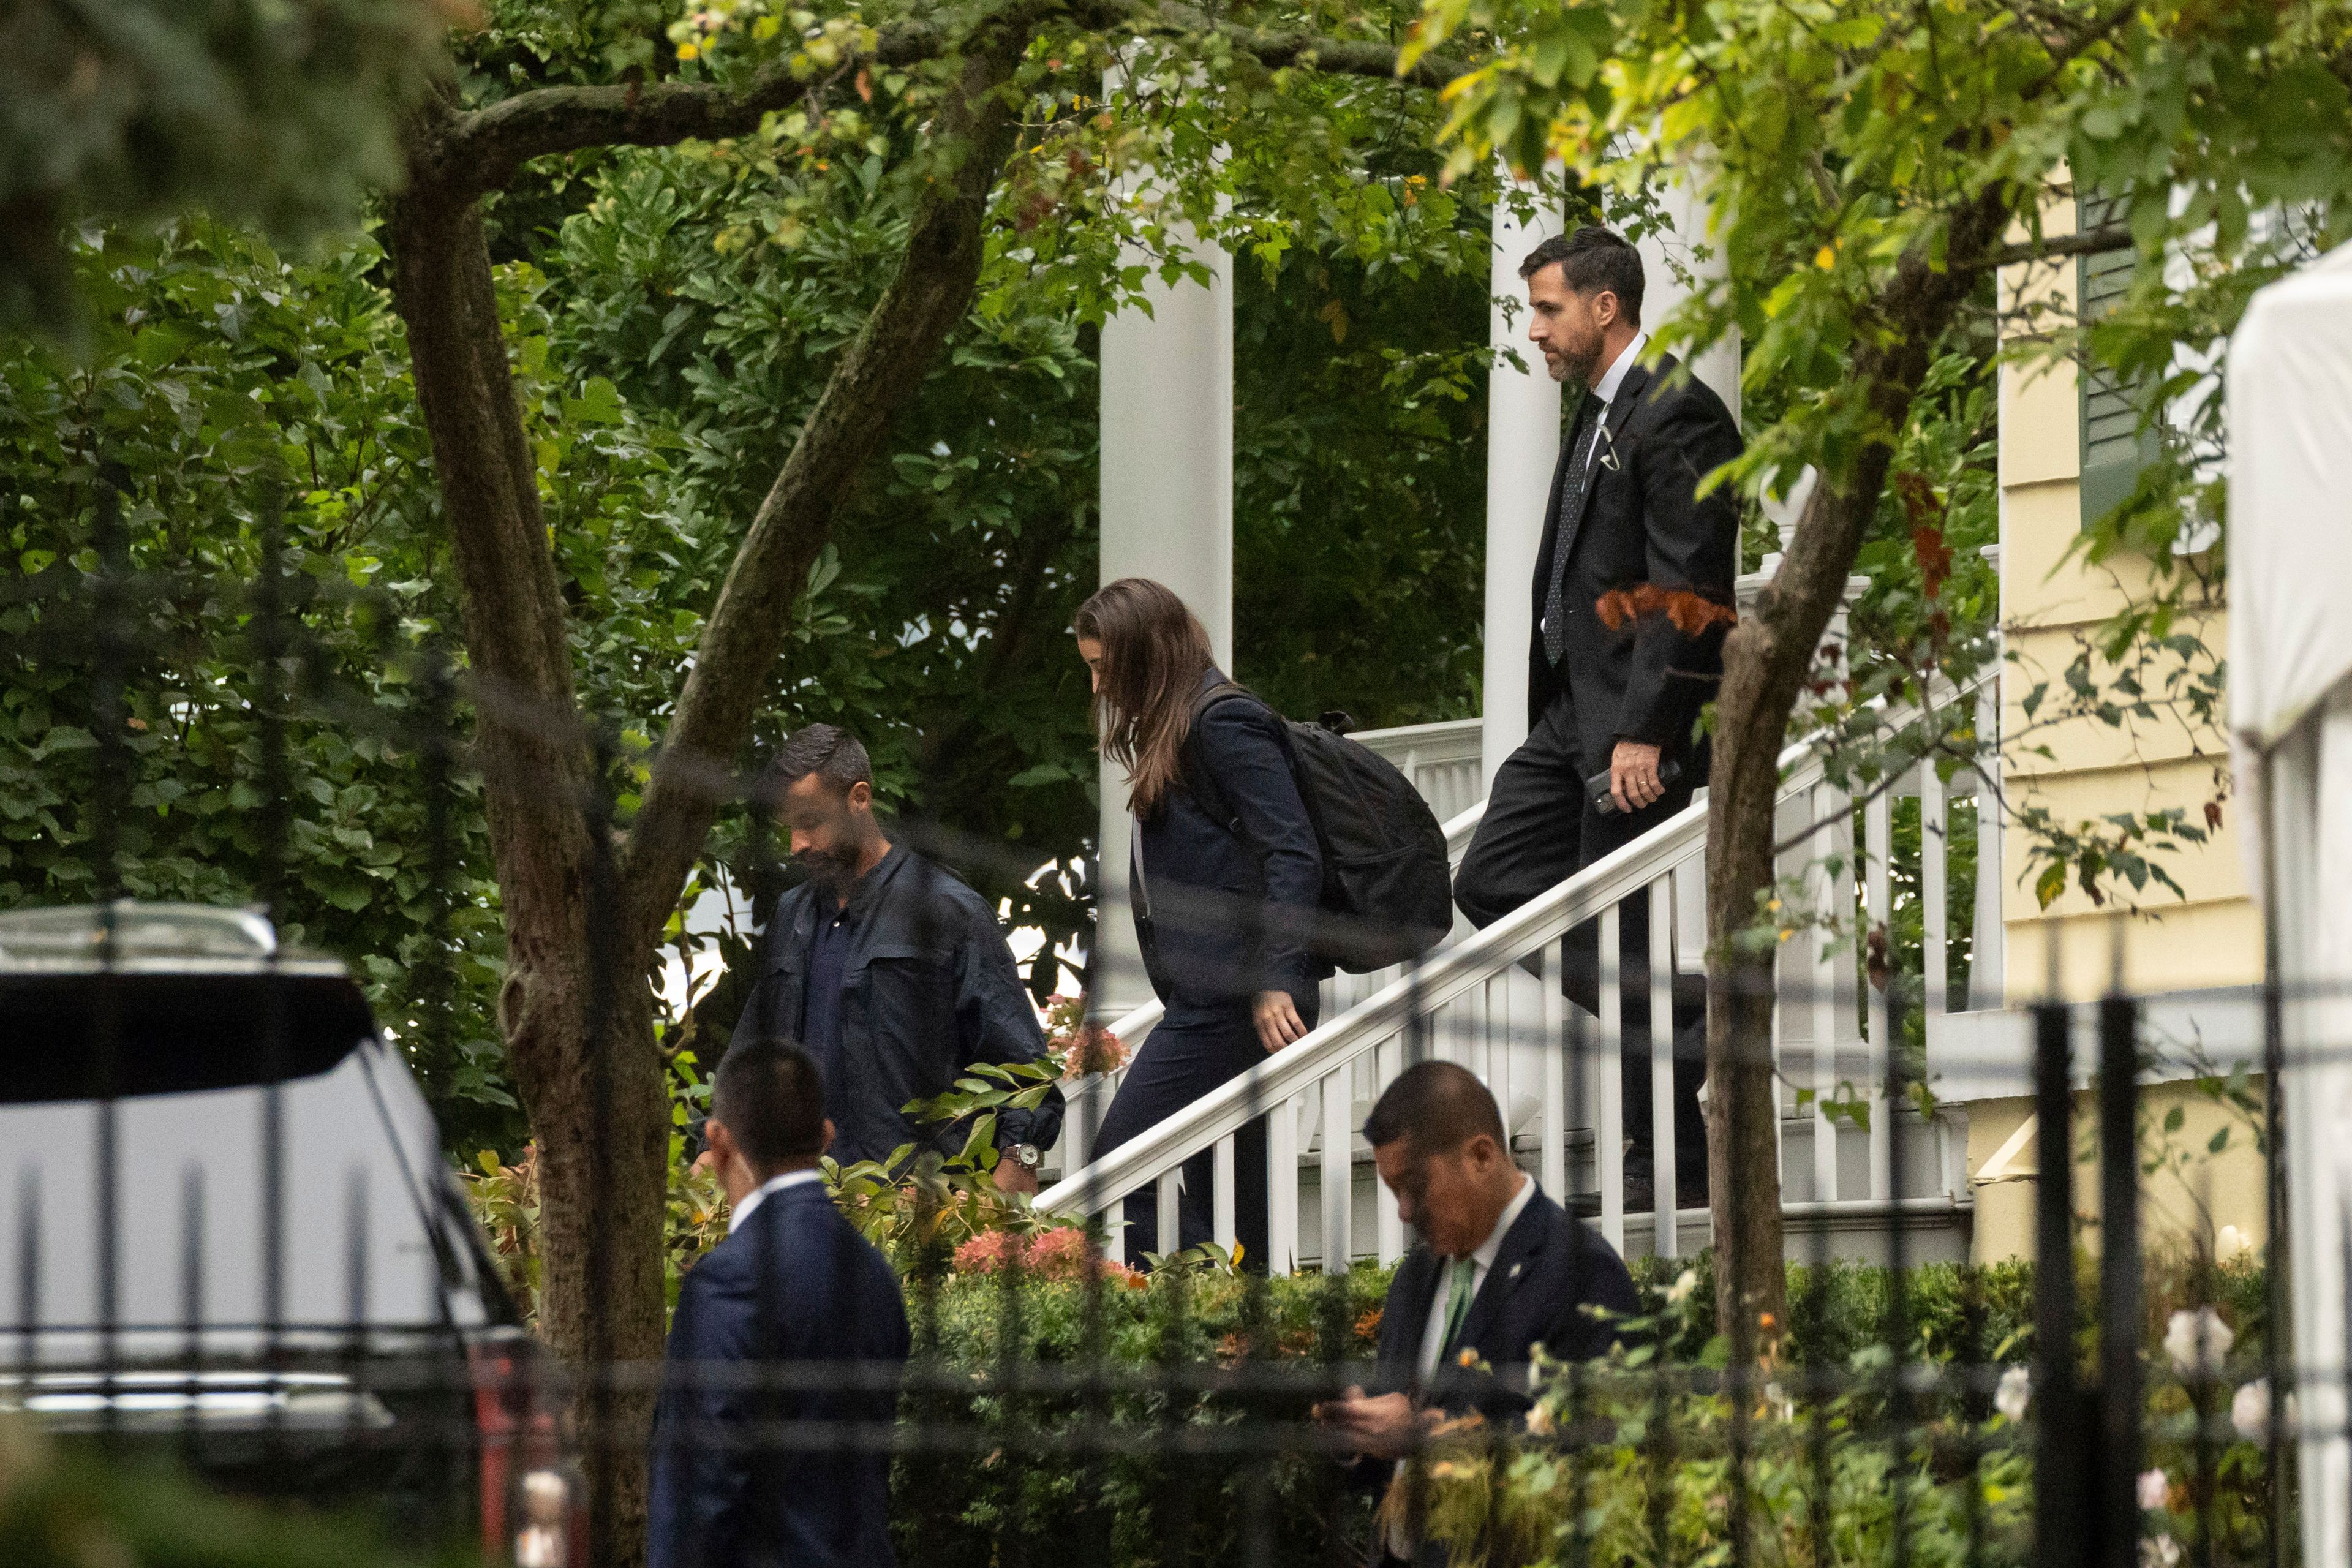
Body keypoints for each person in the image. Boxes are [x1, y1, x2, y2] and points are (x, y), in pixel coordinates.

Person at [1450, 224, 1742, 1212]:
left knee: (1622, 945)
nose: (1533, 330)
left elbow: (1688, 587)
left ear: (1603, 307)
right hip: (1572, 716)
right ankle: (1689, 1019)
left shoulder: (1678, 418)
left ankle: (1668, 1166)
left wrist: (1649, 729)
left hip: (1632, 728)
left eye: (1546, 308)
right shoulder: (1597, 414)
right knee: (1494, 881)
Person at [1076, 577, 1322, 1268]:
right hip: (1212, 999)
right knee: (1239, 1208)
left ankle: (1184, 1309)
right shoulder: (1183, 726)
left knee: (1118, 1176)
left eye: (1102, 666)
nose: (1098, 687)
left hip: (1240, 1002)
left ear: (1141, 653)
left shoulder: (1222, 721)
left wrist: (1278, 978)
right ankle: (1242, 1338)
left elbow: (1292, 850)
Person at [1316, 1061, 1637, 1565]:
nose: (1403, 1211)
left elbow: (1591, 1456)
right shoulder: (1414, 1280)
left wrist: (1427, 1436)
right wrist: (1358, 1437)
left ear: (1483, 1156)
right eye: (1394, 1190)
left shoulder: (1583, 1272)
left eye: (1414, 1187)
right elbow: (1392, 1460)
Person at [726, 724, 1063, 1193]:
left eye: (810, 822)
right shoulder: (792, 916)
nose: (796, 845)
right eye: (789, 828)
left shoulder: (946, 908)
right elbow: (752, 1056)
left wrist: (1016, 1163)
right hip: (807, 1202)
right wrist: (712, 1148)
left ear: (859, 798)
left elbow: (1024, 1067)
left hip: (923, 1206)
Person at [649, 1039, 911, 1568]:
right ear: (826, 1137)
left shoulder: (728, 1282)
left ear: (718, 1143)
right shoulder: (873, 1272)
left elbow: (699, 1497)